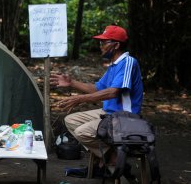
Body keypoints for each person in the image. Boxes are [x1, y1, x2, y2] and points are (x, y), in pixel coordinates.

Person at [50, 25, 143, 174]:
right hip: (108, 112)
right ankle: (111, 157)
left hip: (125, 117)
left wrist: (80, 99)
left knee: (82, 132)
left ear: (116, 45)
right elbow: (98, 88)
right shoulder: (114, 65)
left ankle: (109, 161)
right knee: (70, 120)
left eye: (104, 42)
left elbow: (113, 92)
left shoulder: (128, 62)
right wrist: (72, 83)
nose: (101, 46)